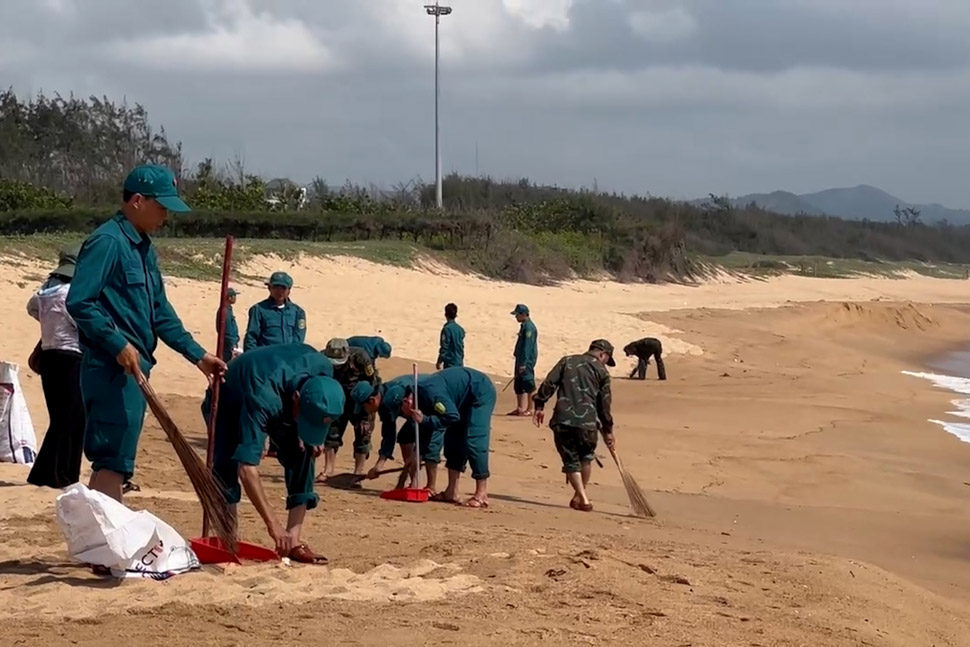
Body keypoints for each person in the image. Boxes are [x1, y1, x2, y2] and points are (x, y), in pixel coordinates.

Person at [66, 164, 225, 508]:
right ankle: (107, 545)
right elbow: (79, 302)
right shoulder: (107, 242)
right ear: (137, 200)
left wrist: (198, 356)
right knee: (113, 458)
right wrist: (117, 344)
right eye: (162, 206)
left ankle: (103, 542)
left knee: (119, 459)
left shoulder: (143, 249)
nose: (166, 215)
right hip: (112, 370)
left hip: (136, 369)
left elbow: (160, 313)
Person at [204, 343, 343, 563]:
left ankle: (293, 542)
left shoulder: (324, 373)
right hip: (230, 399)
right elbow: (247, 469)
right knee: (228, 464)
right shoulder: (264, 397)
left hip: (281, 393)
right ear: (297, 397)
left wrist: (310, 431)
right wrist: (273, 526)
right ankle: (227, 539)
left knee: (304, 453)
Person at [366, 367, 495, 507]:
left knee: (474, 440)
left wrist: (425, 420)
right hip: (458, 399)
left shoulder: (432, 395)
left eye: (401, 413)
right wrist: (416, 455)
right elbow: (426, 432)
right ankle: (451, 491)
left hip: (478, 391)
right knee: (453, 441)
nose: (403, 416)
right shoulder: (419, 400)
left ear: (406, 402)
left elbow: (451, 416)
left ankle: (481, 494)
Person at [25, 244, 85, 489]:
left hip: (50, 356)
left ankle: (54, 473)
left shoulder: (45, 291)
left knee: (61, 416)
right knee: (73, 416)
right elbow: (82, 321)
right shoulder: (72, 292)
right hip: (72, 356)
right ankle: (60, 473)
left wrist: (49, 322)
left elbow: (31, 308)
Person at [532, 339, 616, 513]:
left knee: (572, 460)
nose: (605, 362)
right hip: (588, 424)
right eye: (607, 359)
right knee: (585, 457)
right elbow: (604, 405)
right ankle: (581, 496)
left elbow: (549, 383)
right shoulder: (602, 372)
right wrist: (608, 431)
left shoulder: (567, 361)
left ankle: (582, 497)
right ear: (602, 354)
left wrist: (539, 405)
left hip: (564, 420)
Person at [320, 338, 381, 479]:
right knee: (331, 433)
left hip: (360, 399)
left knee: (363, 434)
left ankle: (357, 473)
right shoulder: (321, 358)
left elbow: (373, 381)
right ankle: (328, 470)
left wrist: (368, 403)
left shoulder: (361, 358)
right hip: (337, 398)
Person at [360, 377, 420, 486]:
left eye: (364, 407)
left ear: (372, 401)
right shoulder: (383, 404)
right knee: (405, 437)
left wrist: (415, 456)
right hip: (415, 413)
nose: (365, 411)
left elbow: (416, 422)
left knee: (419, 442)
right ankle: (413, 482)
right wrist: (378, 466)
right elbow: (389, 436)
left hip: (429, 404)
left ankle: (426, 485)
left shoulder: (391, 398)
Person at [243, 272, 306, 351]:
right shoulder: (258, 310)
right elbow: (251, 337)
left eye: (283, 288)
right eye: (275, 287)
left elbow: (299, 337)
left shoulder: (298, 312)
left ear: (289, 290)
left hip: (288, 358)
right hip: (266, 358)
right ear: (269, 288)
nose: (279, 291)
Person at [508, 304, 538, 416]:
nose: (516, 317)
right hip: (520, 359)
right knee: (519, 383)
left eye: (517, 315)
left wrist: (524, 363)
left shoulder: (529, 328)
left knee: (528, 383)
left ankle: (530, 408)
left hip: (526, 361)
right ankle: (520, 407)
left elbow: (527, 347)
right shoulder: (524, 326)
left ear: (523, 314)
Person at [436, 303, 465, 370]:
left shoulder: (447, 329)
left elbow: (444, 347)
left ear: (445, 315)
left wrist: (439, 361)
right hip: (459, 362)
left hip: (450, 362)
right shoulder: (460, 330)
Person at [217, 287, 242, 362]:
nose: (235, 298)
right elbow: (227, 330)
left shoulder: (227, 309)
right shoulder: (225, 311)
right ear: (229, 297)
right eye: (234, 296)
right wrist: (233, 344)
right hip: (228, 345)